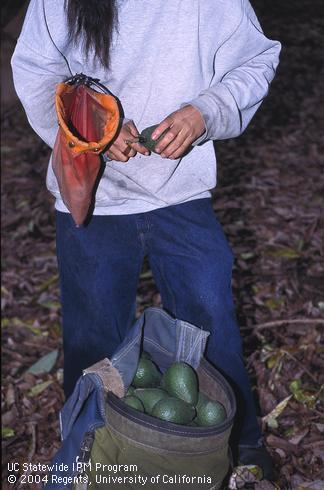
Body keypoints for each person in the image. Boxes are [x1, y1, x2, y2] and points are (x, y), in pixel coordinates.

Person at [12, 0, 281, 479]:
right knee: (92, 337)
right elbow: (35, 66)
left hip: (182, 195)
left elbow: (256, 57)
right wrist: (92, 128)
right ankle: (87, 452)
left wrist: (205, 112)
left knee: (211, 321)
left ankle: (242, 448)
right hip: (95, 198)